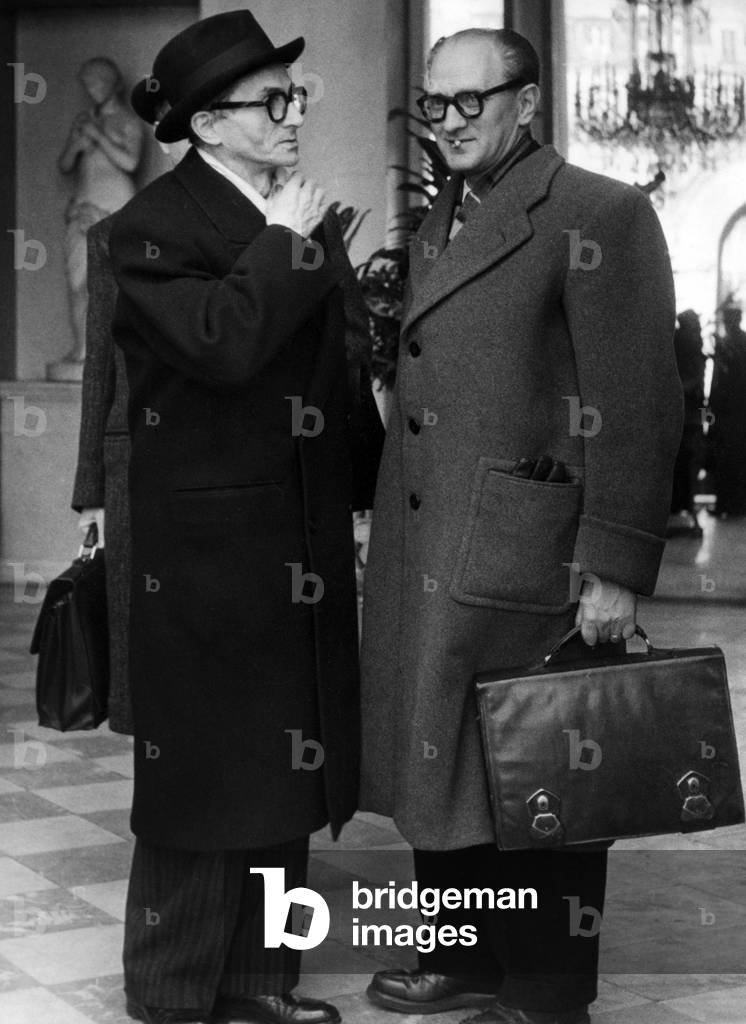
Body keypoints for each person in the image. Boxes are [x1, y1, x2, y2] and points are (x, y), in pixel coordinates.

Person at [360, 28, 682, 1024]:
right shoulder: (444, 220)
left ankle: (546, 992)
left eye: (470, 101)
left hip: (531, 547)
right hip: (432, 544)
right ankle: (459, 959)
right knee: (442, 757)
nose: (449, 121)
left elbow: (635, 400)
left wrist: (614, 564)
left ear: (527, 100)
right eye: (435, 104)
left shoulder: (596, 212)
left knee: (542, 762)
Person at [108, 11, 383, 1024]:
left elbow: (339, 366)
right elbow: (221, 343)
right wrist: (283, 242)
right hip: (208, 557)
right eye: (272, 101)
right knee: (204, 780)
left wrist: (360, 498)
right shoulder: (148, 229)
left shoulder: (291, 211)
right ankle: (173, 994)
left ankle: (260, 984)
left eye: (293, 96)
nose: (291, 115)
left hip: (301, 543)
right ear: (207, 124)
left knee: (286, 770)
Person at [72, 99, 191, 736]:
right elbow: (99, 368)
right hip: (128, 470)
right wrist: (89, 493)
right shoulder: (111, 235)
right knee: (143, 676)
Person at [56, 57, 143, 373]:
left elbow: (130, 163)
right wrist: (79, 143)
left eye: (97, 83)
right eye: (88, 84)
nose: (91, 90)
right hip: (81, 205)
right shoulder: (84, 120)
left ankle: (106, 352)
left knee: (108, 282)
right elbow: (65, 165)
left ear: (113, 84)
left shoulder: (127, 121)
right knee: (77, 281)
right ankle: (81, 349)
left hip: (114, 206)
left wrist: (99, 137)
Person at [667, 309, 706, 536]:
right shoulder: (684, 352)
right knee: (683, 470)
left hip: (688, 422)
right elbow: (694, 389)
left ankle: (685, 511)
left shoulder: (684, 351)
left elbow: (701, 396)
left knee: (687, 470)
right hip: (685, 422)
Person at [708, 305, 746, 517]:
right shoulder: (737, 343)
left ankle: (726, 504)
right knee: (735, 460)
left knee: (726, 460)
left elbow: (719, 384)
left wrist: (709, 415)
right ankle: (734, 504)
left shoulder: (728, 345)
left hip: (727, 415)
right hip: (736, 414)